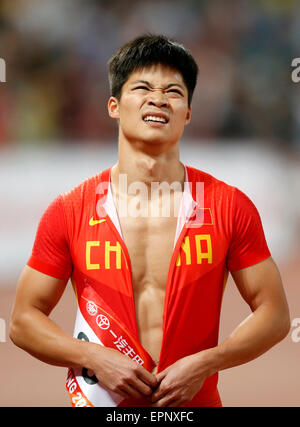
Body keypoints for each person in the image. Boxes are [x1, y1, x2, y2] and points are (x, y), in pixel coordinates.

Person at [10, 34, 290, 407]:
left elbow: (274, 314)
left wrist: (206, 363)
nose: (158, 98)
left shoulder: (228, 206)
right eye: (142, 87)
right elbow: (23, 320)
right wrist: (94, 357)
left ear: (188, 113)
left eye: (174, 92)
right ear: (114, 105)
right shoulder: (69, 210)